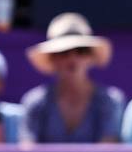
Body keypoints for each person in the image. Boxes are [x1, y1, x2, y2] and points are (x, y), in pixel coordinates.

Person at [20, 13, 125, 142]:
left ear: (90, 57)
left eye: (81, 51)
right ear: (52, 58)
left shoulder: (110, 101)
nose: (72, 59)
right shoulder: (35, 102)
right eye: (63, 52)